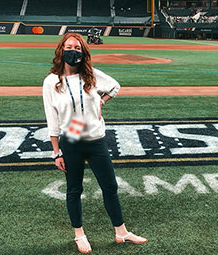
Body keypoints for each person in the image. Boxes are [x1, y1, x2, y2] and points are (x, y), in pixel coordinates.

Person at [43, 32, 148, 254]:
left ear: (83, 53)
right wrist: (56, 153)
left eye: (78, 48)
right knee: (74, 189)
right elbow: (52, 119)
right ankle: (79, 234)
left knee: (110, 186)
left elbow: (115, 87)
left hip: (96, 140)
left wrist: (101, 101)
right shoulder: (51, 82)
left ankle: (121, 232)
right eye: (69, 46)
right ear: (61, 49)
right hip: (71, 141)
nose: (73, 51)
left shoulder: (91, 75)